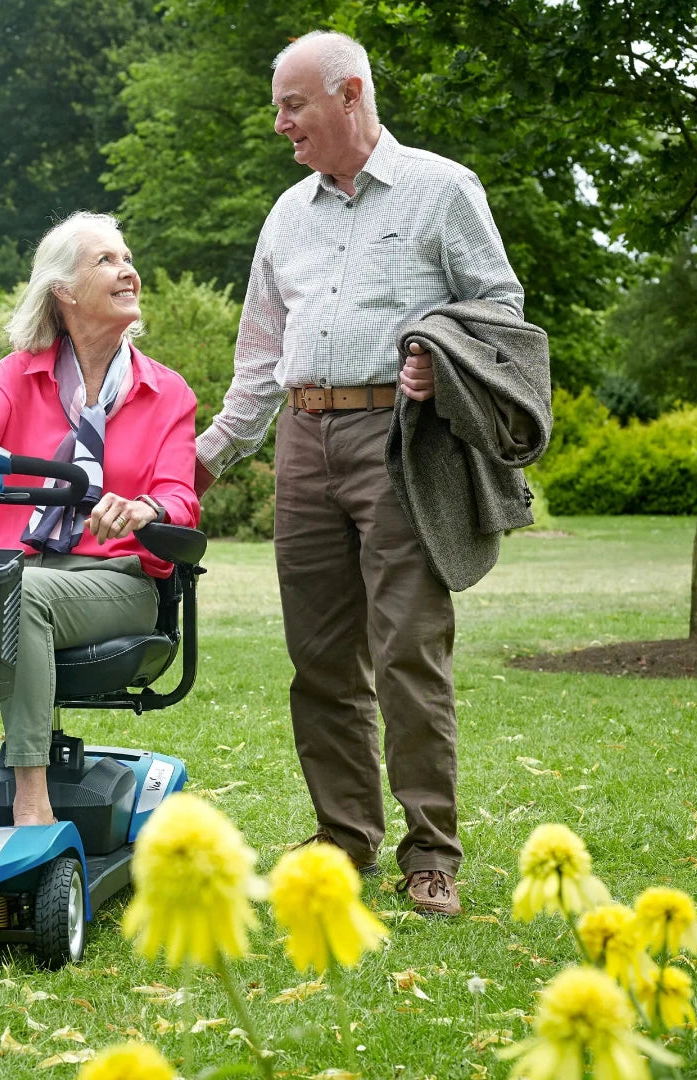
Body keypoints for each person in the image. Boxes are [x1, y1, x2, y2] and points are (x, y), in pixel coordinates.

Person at [195, 31, 526, 916]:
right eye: (278, 106)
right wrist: (203, 456)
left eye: (291, 104)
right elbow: (261, 357)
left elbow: (500, 307)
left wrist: (438, 352)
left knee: (407, 649)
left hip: (400, 442)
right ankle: (343, 836)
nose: (279, 124)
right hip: (304, 446)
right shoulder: (285, 215)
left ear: (347, 96)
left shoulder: (440, 189)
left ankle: (431, 852)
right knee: (317, 660)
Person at [0, 211, 200, 827]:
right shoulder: (19, 374)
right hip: (20, 568)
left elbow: (180, 496)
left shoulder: (166, 391)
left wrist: (143, 507)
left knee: (16, 592)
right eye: (106, 261)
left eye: (126, 257)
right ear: (63, 292)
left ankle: (31, 799)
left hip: (116, 579)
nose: (128, 270)